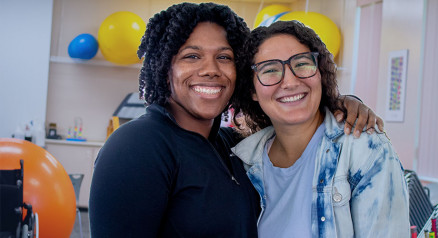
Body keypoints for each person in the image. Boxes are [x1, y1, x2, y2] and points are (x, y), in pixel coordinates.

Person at [90, 3, 383, 237]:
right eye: (192, 56)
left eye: (224, 57)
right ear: (164, 67)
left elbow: (293, 124)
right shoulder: (137, 147)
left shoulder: (233, 146)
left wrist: (341, 104)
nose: (210, 70)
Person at [231, 20, 410, 238]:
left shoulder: (365, 148)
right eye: (270, 70)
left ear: (320, 73)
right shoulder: (243, 160)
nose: (289, 81)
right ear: (252, 90)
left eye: (302, 63)